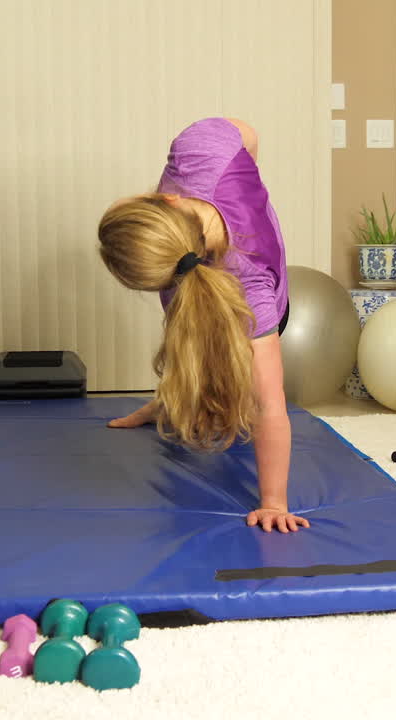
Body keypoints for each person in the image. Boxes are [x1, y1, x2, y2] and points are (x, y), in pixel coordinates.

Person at [97, 117, 309, 534]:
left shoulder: (251, 290)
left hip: (252, 298)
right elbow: (248, 131)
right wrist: (244, 182)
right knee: (192, 347)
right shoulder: (203, 150)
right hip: (206, 280)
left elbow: (269, 404)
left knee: (242, 389)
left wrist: (274, 502)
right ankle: (169, 403)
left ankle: (181, 400)